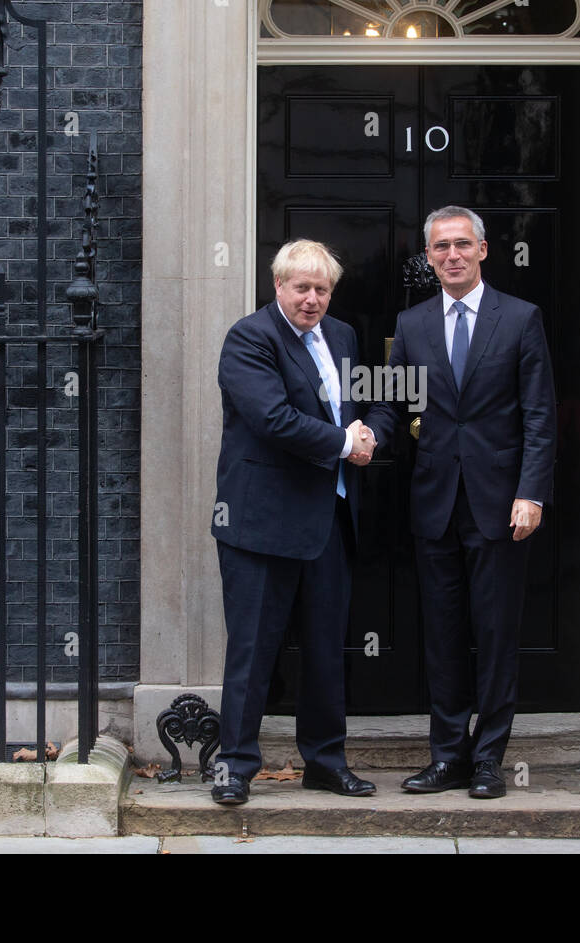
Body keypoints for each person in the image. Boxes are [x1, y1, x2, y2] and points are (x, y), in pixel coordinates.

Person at [364, 206, 556, 799]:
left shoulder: (521, 319)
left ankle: (490, 758)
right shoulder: (413, 323)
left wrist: (531, 492)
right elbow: (392, 402)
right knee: (442, 636)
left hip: (500, 505)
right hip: (434, 505)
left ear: (483, 251)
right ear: (428, 257)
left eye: (462, 245)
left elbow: (540, 415)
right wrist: (362, 434)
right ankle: (448, 756)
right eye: (441, 247)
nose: (451, 255)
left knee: (495, 634)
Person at [209, 240, 377, 805]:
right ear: (277, 285)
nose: (311, 299)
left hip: (329, 518)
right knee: (253, 649)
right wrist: (342, 441)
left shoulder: (344, 336)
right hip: (261, 524)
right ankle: (234, 766)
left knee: (327, 650)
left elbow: (362, 401)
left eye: (322, 289)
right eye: (301, 287)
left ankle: (326, 762)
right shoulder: (250, 338)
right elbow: (274, 418)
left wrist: (372, 429)